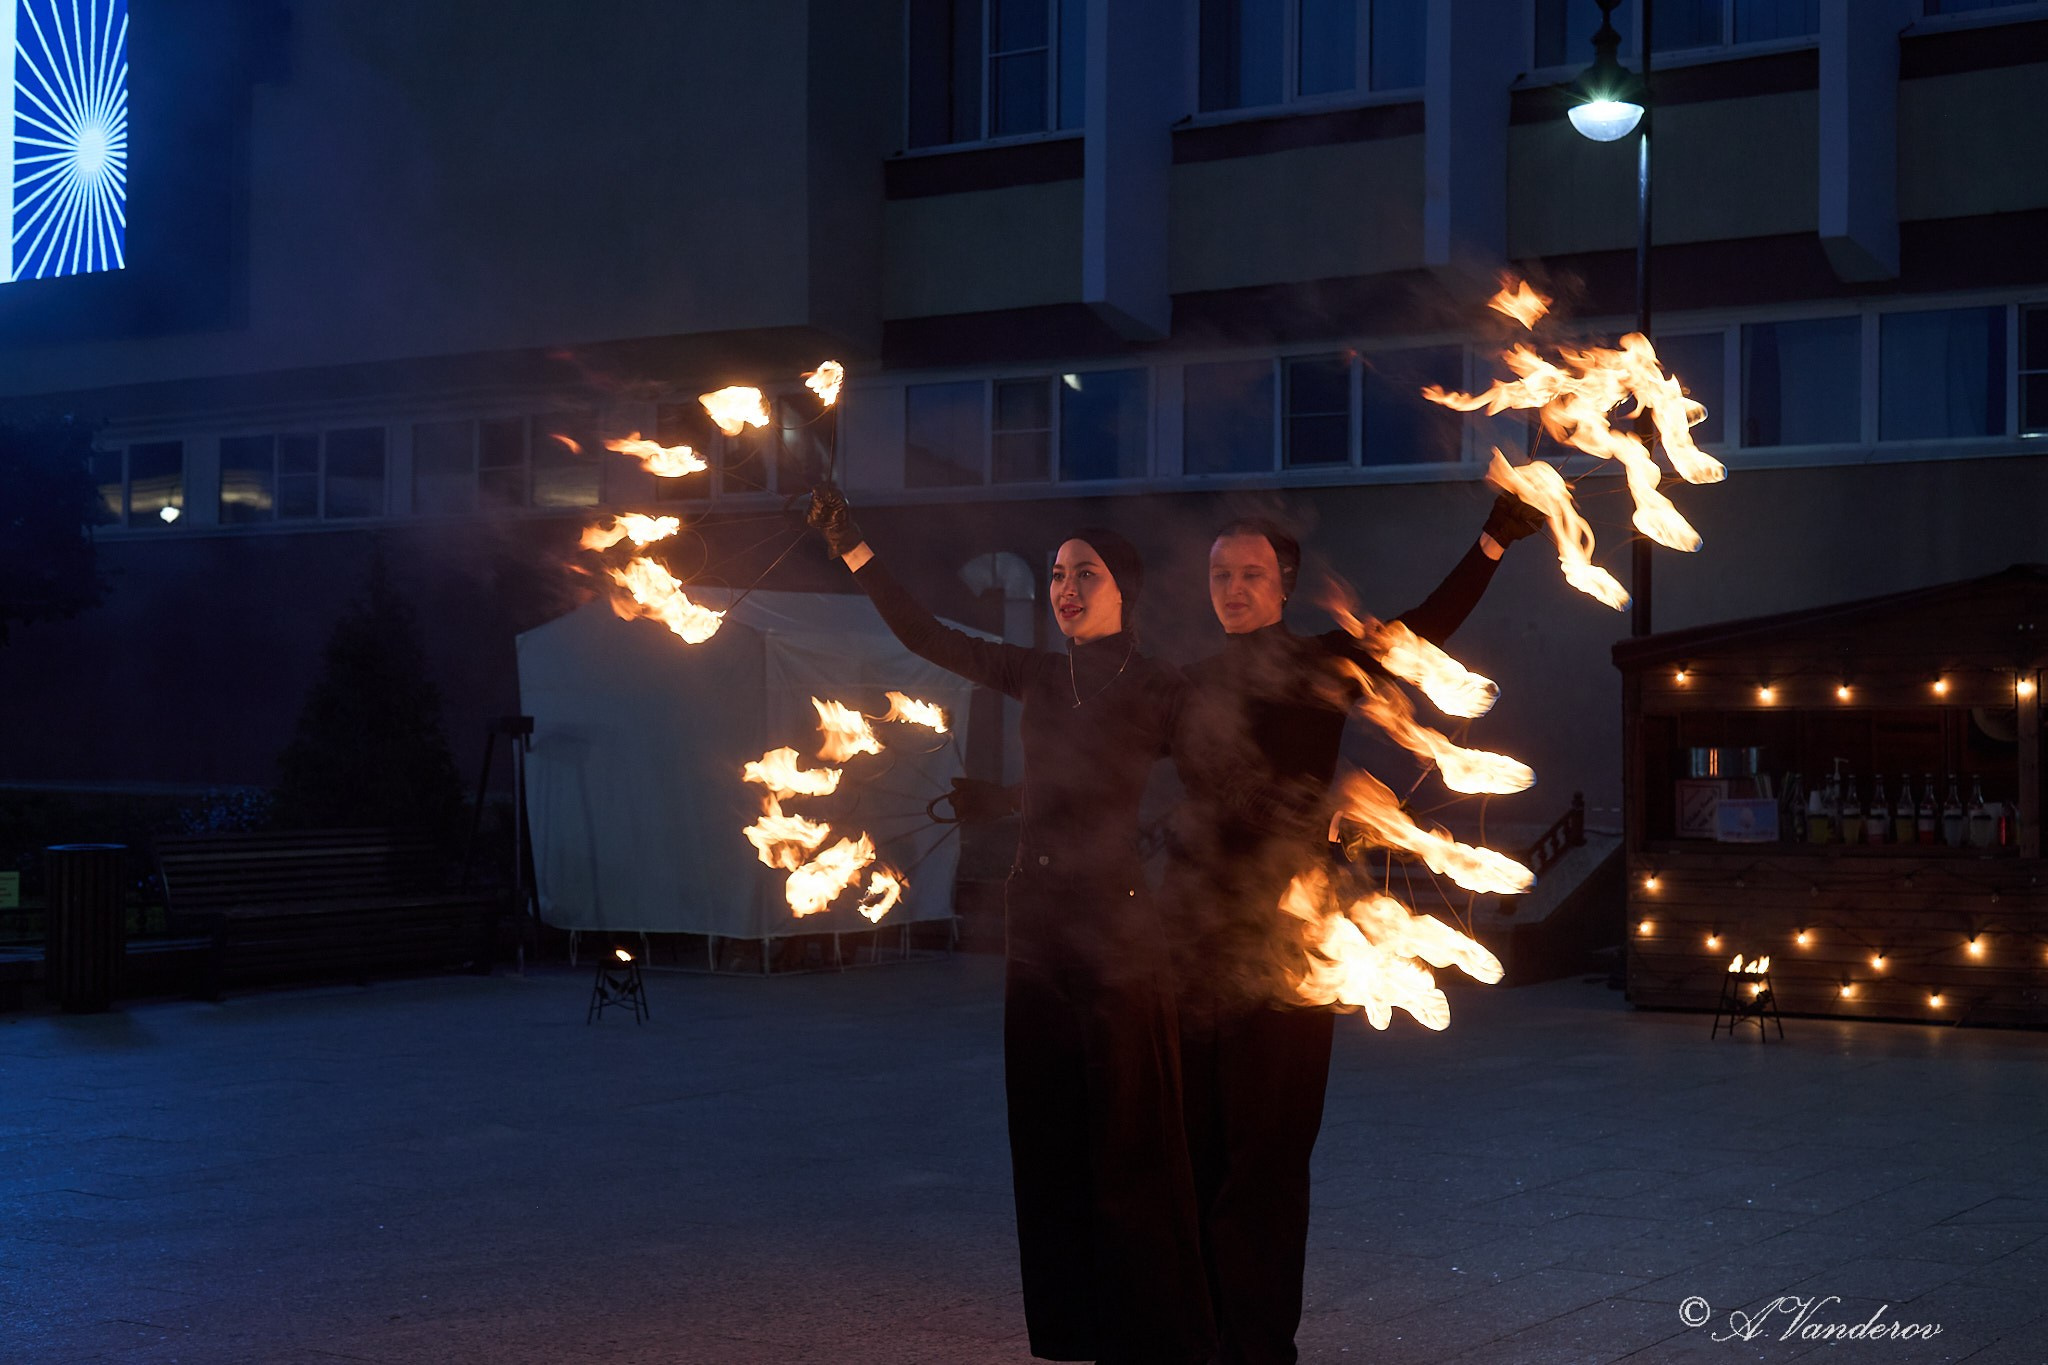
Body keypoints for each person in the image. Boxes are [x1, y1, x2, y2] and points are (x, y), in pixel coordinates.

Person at [805, 485, 1214, 1365]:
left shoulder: (1159, 686)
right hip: (1037, 925)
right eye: (1059, 574)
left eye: (1086, 574)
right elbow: (928, 637)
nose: (1066, 589)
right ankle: (1073, 1323)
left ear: (1124, 590)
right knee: (1048, 1128)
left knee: (1126, 1129)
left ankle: (1149, 1324)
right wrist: (856, 549)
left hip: (1119, 925)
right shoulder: (1039, 672)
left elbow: (1210, 777)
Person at [1167, 494, 1544, 1365]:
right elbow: (1113, 751)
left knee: (1269, 1147)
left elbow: (1424, 629)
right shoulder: (1188, 682)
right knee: (1196, 1145)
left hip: (1296, 941)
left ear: (1284, 585)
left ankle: (1260, 1343)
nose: (1232, 588)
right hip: (1191, 939)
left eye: (1250, 574)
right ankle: (1206, 1327)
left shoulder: (1322, 662)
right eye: (1220, 574)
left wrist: (1492, 539)